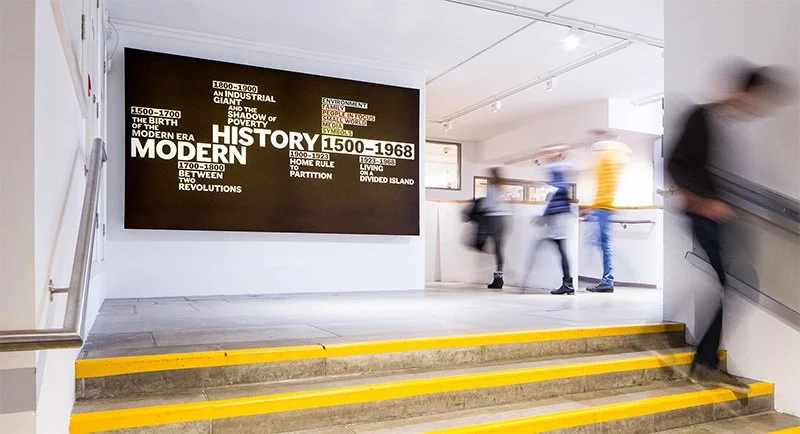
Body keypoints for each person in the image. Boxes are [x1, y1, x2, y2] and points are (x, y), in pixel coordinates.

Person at [667, 63, 789, 394]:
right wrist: (704, 202)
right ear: (743, 91)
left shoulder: (728, 125)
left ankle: (704, 362)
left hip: (720, 217)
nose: (757, 107)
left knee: (737, 282)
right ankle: (703, 364)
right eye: (756, 98)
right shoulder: (701, 116)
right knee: (735, 281)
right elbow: (675, 164)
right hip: (702, 214)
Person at [521, 145, 575, 295]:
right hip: (556, 217)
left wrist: (543, 216)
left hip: (557, 218)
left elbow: (557, 194)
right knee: (557, 249)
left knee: (553, 248)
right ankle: (567, 284)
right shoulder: (558, 174)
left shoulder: (559, 172)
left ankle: (567, 283)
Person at [585, 138, 629, 293]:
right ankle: (607, 280)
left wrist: (595, 208)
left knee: (603, 244)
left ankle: (607, 280)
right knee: (601, 243)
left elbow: (605, 190)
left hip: (604, 208)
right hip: (602, 208)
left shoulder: (608, 162)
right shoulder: (609, 163)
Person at [477, 168, 510, 290]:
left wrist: (480, 204)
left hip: (492, 219)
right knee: (498, 249)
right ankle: (499, 278)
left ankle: (498, 279)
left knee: (483, 242)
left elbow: (488, 205)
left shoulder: (492, 189)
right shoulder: (501, 189)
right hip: (501, 220)